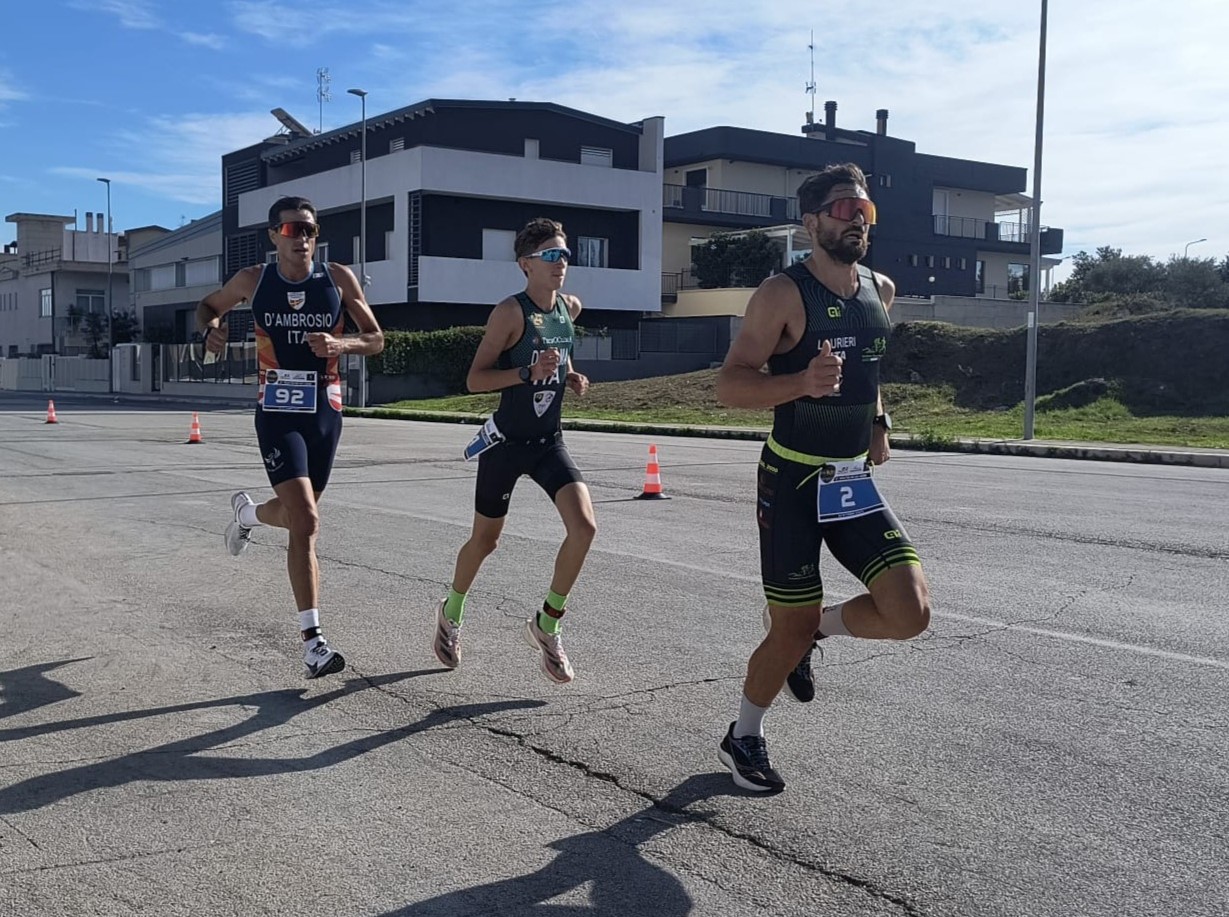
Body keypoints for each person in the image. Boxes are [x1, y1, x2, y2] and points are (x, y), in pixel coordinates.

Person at [714, 163, 931, 792]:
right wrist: (800, 383)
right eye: (843, 209)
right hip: (792, 479)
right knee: (787, 626)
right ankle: (744, 734)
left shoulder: (881, 289)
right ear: (811, 223)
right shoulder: (782, 294)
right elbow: (730, 385)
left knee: (910, 612)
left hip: (852, 479)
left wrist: (879, 421)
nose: (857, 219)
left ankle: (814, 633)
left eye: (865, 210)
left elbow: (868, 369)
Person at [197, 195, 384, 679]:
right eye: (291, 229)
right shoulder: (253, 281)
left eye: (309, 230)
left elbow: (376, 338)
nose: (301, 238)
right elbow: (209, 307)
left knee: (301, 518)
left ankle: (248, 514)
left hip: (324, 411)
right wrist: (212, 329)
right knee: (306, 519)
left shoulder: (337, 279)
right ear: (273, 236)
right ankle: (313, 643)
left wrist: (341, 343)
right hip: (277, 411)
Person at [432, 217, 596, 685]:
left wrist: (569, 374)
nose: (561, 263)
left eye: (565, 254)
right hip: (506, 444)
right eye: (551, 256)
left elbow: (559, 350)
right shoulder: (510, 313)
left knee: (584, 528)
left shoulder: (569, 307)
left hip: (548, 442)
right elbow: (475, 380)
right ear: (526, 264)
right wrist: (526, 373)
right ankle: (451, 611)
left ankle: (548, 623)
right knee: (486, 541)